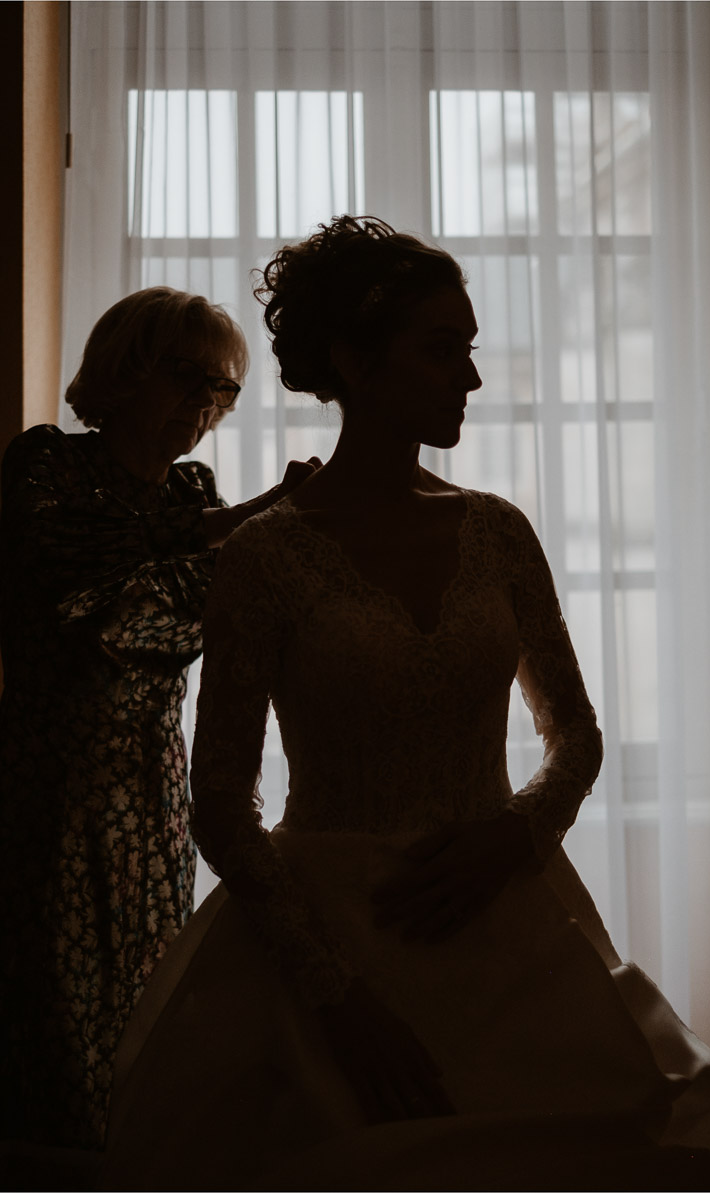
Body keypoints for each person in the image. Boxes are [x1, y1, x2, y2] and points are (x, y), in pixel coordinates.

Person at [97, 218, 710, 1190]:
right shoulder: (266, 555)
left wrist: (515, 834)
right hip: (325, 933)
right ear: (352, 359)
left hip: (503, 906)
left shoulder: (497, 530)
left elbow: (577, 733)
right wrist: (332, 993)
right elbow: (221, 795)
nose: (469, 379)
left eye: (470, 350)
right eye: (443, 350)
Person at [0, 288, 314, 1156]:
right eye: (190, 380)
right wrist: (253, 525)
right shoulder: (47, 466)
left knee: (149, 1027)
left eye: (226, 392)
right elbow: (96, 596)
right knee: (58, 1037)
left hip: (155, 797)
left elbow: (200, 607)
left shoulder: (191, 489)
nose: (206, 407)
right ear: (126, 369)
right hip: (53, 796)